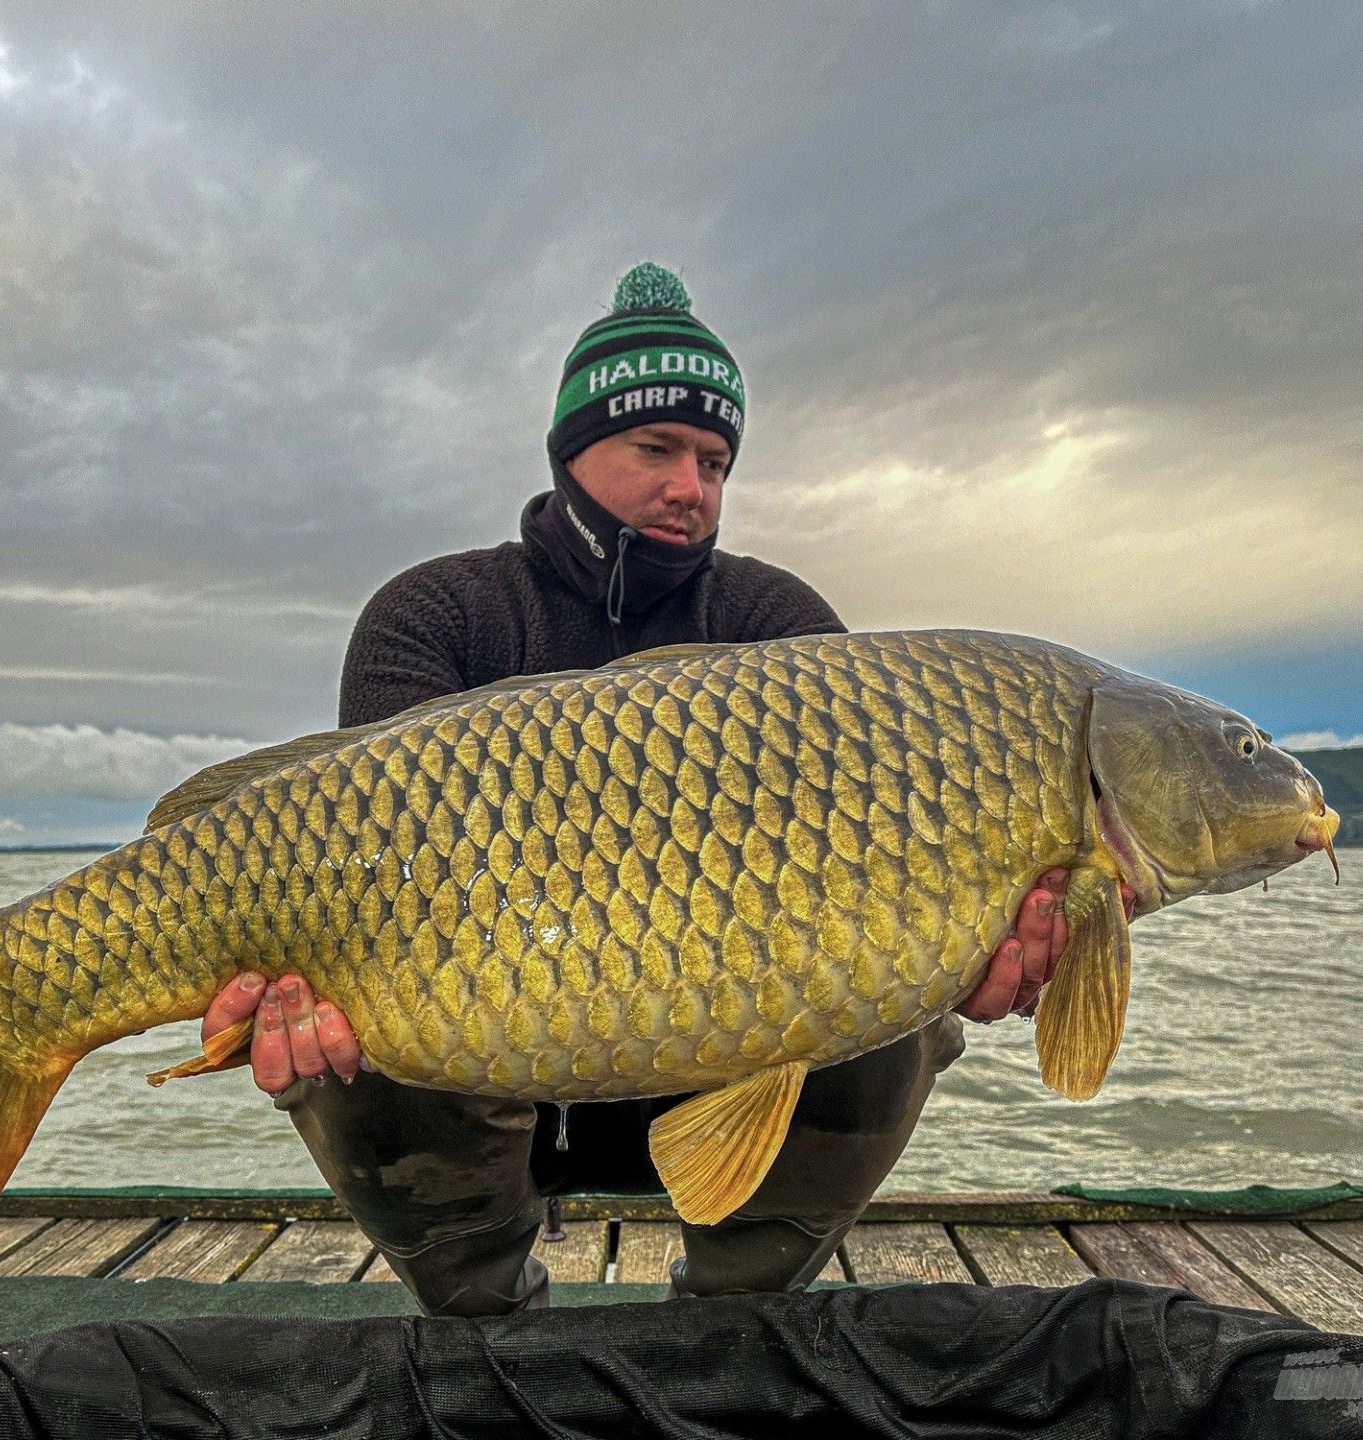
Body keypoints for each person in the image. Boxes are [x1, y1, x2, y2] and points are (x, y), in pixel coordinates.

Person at [199, 263, 1095, 1316]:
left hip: (716, 1060)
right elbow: (365, 871)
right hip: (484, 1063)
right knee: (341, 1021)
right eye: (656, 449)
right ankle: (481, 1318)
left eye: (715, 461)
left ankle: (729, 1319)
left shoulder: (778, 623)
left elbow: (862, 877)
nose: (692, 488)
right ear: (572, 452)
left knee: (890, 1010)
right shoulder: (436, 614)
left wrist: (954, 957)